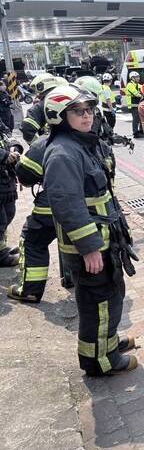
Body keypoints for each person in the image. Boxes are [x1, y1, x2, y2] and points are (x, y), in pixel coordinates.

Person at [42, 85, 138, 376]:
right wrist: (89, 247)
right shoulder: (63, 153)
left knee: (110, 298)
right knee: (98, 303)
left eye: (89, 111)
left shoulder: (81, 145)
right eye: (78, 112)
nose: (87, 117)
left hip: (105, 241)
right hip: (92, 248)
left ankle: (106, 344)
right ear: (59, 116)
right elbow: (66, 204)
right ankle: (100, 361)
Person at [7, 135, 66, 301]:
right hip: (89, 209)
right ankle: (71, 279)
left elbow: (25, 175)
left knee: (32, 241)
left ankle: (30, 290)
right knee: (77, 242)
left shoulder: (45, 143)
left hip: (51, 206)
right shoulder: (93, 140)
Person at [21, 73, 68, 144]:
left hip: (53, 148)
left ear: (40, 87)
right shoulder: (70, 101)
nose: (37, 94)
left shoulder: (40, 106)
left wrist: (39, 145)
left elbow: (26, 128)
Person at [0, 129, 21, 268]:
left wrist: (15, 147)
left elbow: (6, 133)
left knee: (8, 213)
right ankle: (1, 257)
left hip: (4, 178)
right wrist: (4, 155)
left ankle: (2, 248)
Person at [125, 71, 143, 138]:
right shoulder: (130, 85)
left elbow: (143, 88)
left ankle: (141, 131)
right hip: (133, 105)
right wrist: (142, 95)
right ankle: (135, 133)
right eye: (136, 77)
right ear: (132, 78)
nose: (138, 78)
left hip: (138, 104)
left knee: (141, 118)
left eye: (138, 77)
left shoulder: (138, 85)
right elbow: (136, 94)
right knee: (136, 119)